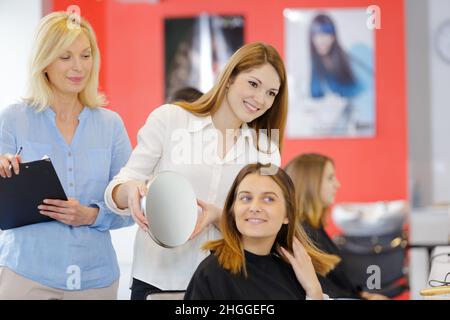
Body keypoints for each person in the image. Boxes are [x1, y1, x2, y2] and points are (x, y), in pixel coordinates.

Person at [104, 42, 287, 299]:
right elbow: (117, 190)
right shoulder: (170, 120)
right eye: (253, 84)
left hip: (228, 285)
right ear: (230, 77)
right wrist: (129, 191)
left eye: (271, 93)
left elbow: (268, 224)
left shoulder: (266, 150)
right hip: (160, 281)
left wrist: (219, 217)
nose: (260, 99)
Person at [0, 12, 133, 299]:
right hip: (26, 274)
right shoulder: (12, 119)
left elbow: (132, 208)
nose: (78, 67)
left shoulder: (111, 125)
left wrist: (91, 215)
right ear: (44, 61)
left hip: (95, 278)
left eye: (85, 56)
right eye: (65, 57)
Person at [184, 163, 339, 299]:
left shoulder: (297, 273)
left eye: (268, 199)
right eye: (245, 198)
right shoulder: (212, 274)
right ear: (233, 209)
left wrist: (314, 291)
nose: (254, 207)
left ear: (287, 215)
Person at [285, 153, 388, 300]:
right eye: (330, 178)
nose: (337, 185)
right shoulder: (304, 235)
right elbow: (325, 292)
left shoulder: (314, 228)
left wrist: (363, 295)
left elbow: (337, 282)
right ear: (310, 182)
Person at [308, 13, 374, 135]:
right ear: (311, 38)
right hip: (343, 127)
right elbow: (316, 98)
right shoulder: (318, 69)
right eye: (316, 34)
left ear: (333, 36)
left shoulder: (356, 54)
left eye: (326, 33)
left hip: (368, 122)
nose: (321, 39)